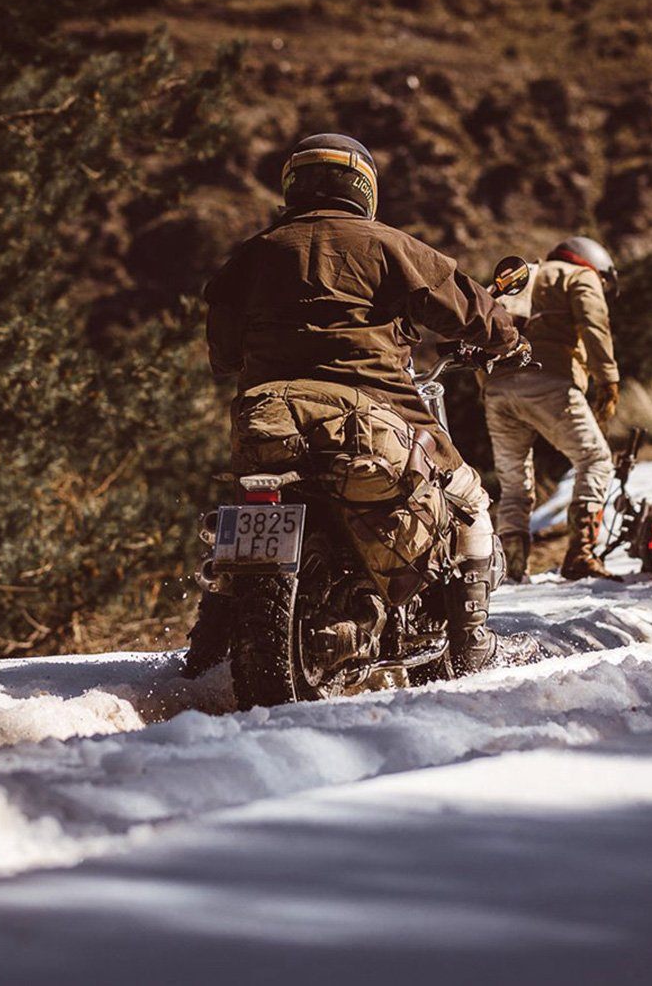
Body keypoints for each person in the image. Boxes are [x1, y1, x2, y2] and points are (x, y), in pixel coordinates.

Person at [201, 133, 524, 668]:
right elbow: (469, 308)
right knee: (469, 502)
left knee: (238, 513)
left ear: (293, 186)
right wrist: (508, 339)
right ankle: (470, 648)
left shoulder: (252, 255)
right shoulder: (388, 245)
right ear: (362, 187)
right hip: (376, 408)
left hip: (270, 417)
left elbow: (223, 355)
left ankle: (208, 642)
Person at [483, 236, 621, 582]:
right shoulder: (578, 275)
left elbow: (479, 326)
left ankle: (513, 569)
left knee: (514, 483)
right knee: (595, 459)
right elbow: (593, 324)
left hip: (497, 389)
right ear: (597, 266)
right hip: (550, 381)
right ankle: (581, 554)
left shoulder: (517, 275)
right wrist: (608, 379)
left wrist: (486, 387)